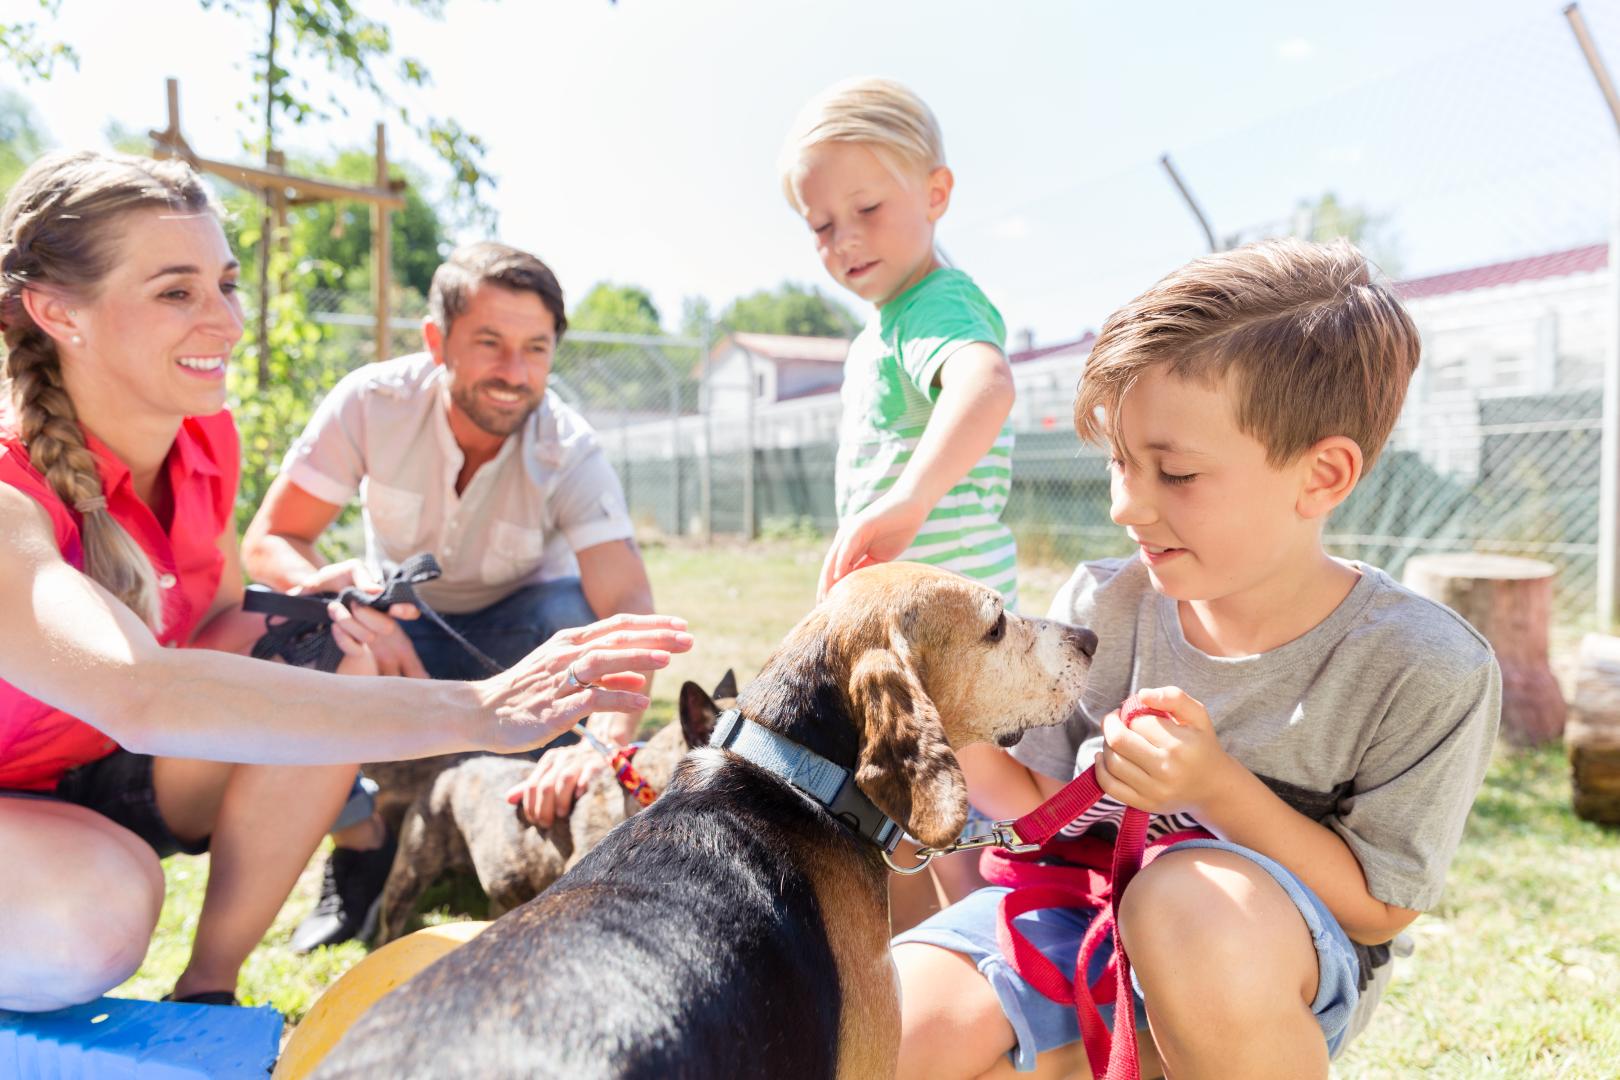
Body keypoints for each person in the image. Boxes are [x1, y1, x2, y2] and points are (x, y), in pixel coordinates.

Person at [0, 151, 690, 1012]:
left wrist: (315, 612)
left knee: (333, 642)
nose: (225, 320)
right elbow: (141, 690)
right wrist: (480, 709)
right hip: (40, 778)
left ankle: (208, 989)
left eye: (226, 284)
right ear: (55, 310)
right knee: (97, 914)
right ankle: (362, 827)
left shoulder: (203, 442)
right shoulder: (7, 493)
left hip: (110, 764)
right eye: (176, 292)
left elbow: (211, 622)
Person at [890, 238, 1502, 1079]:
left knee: (1185, 904)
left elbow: (1377, 908)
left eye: (1174, 473)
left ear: (1322, 476)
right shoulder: (1102, 606)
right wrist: (940, 729)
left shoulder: (1424, 666)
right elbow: (1032, 803)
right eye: (1118, 460)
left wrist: (1216, 787)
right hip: (1070, 915)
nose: (1125, 504)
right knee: (893, 1027)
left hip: (1248, 960)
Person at [241, 241, 659, 950]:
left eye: (536, 349)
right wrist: (344, 603)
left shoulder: (570, 449)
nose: (515, 373)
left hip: (518, 644)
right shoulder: (371, 403)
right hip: (401, 626)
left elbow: (627, 607)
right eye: (490, 344)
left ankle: (528, 816)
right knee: (286, 628)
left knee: (570, 614)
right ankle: (361, 844)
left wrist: (606, 744)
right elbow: (272, 539)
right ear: (437, 341)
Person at [779, 76, 1019, 926]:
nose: (844, 240)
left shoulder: (934, 305)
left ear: (936, 193)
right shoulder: (885, 323)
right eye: (820, 226)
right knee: (901, 804)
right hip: (914, 626)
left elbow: (985, 385)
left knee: (955, 801)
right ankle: (936, 950)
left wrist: (911, 499)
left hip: (947, 631)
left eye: (867, 208)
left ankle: (1003, 963)